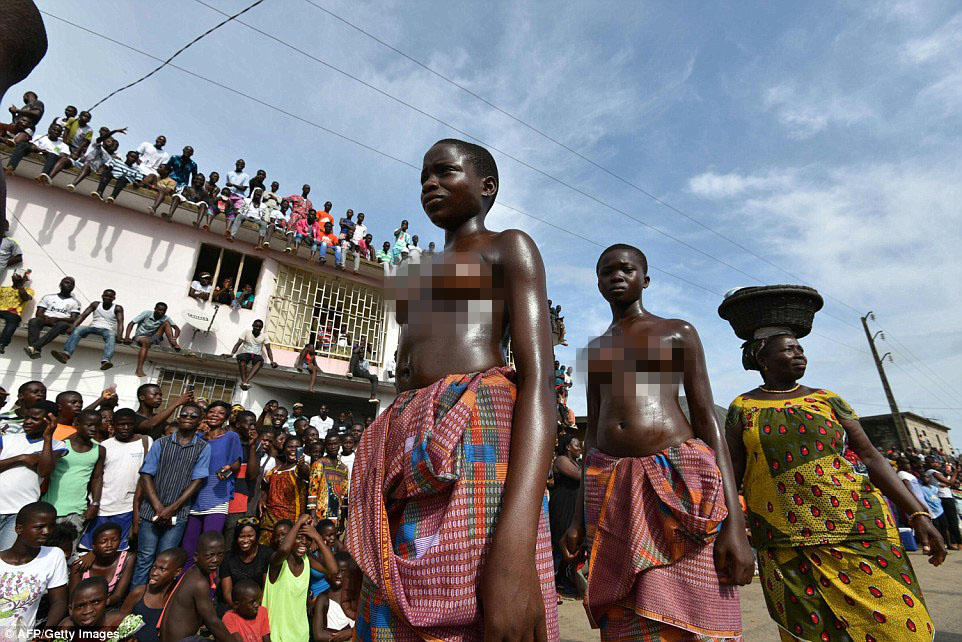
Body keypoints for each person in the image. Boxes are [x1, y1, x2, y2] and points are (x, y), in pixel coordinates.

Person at [347, 139, 559, 640]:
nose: (429, 183)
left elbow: (539, 381)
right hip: (404, 437)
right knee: (389, 609)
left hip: (477, 433)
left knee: (481, 608)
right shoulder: (414, 273)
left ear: (487, 187)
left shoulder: (507, 246)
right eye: (423, 176)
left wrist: (515, 546)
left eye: (445, 172)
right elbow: (405, 374)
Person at [560, 244, 752, 640]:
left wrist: (735, 523)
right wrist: (576, 519)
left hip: (678, 477)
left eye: (626, 270)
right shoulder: (597, 350)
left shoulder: (676, 331)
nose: (616, 277)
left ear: (645, 279)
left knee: (693, 605)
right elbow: (593, 433)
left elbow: (708, 424)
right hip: (612, 485)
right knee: (627, 609)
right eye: (606, 271)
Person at [722, 318, 945, 640]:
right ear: (763, 359)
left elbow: (871, 457)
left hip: (858, 525)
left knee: (895, 621)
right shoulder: (742, 407)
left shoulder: (828, 400)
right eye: (789, 350)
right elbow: (732, 470)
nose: (800, 355)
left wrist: (918, 512)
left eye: (801, 349)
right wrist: (734, 527)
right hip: (783, 537)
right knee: (812, 627)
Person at [131, 402, 210, 586]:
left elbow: (197, 481)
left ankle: (156, 603)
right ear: (178, 417)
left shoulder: (203, 447)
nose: (188, 419)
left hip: (178, 513)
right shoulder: (161, 443)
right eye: (184, 415)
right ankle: (135, 601)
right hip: (151, 510)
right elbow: (146, 474)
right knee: (145, 558)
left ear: (200, 421)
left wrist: (172, 508)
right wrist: (159, 507)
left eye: (193, 416)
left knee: (165, 560)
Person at [181, 401, 241, 564]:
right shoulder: (198, 438)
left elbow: (236, 464)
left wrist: (227, 470)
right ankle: (183, 583)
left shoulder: (231, 437)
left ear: (226, 418)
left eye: (220, 413)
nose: (215, 415)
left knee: (209, 546)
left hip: (218, 495)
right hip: (195, 496)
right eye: (212, 411)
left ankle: (209, 586)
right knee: (188, 546)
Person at [0, 401, 64, 549]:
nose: (28, 421)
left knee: (5, 556)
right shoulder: (7, 439)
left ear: (50, 421)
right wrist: (21, 458)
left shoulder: (57, 445)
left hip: (20, 511)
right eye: (27, 417)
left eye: (34, 418)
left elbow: (44, 470)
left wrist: (48, 437)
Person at [0, 502, 67, 639]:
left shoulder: (54, 556)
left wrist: (46, 632)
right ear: (19, 529)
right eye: (39, 527)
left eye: (51, 526)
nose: (47, 532)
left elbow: (59, 601)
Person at [263, 514, 334, 642]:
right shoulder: (276, 562)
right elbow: (284, 549)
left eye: (307, 539)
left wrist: (317, 537)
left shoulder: (307, 560)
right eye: (298, 538)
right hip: (277, 635)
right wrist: (299, 521)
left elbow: (333, 570)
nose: (303, 542)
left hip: (301, 635)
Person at [158, 531, 234, 642]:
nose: (215, 560)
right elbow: (212, 622)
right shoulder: (199, 583)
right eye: (210, 555)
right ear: (196, 557)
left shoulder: (193, 572)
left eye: (220, 554)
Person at [43, 409, 104, 537]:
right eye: (89, 425)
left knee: (68, 552)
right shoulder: (62, 445)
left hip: (77, 511)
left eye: (97, 425)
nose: (93, 429)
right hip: (50, 508)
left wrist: (95, 504)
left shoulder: (99, 449)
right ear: (77, 424)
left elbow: (97, 478)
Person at [119, 547, 186, 642]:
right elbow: (119, 623)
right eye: (154, 567)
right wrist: (128, 637)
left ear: (177, 572)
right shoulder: (140, 592)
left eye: (162, 569)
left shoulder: (176, 598)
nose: (154, 573)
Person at [52, 288, 124, 370]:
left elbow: (120, 323)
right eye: (106, 296)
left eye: (110, 297)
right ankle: (66, 354)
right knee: (79, 329)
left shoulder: (117, 308)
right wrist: (72, 327)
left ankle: (106, 361)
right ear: (102, 296)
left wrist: (119, 336)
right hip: (93, 327)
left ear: (114, 298)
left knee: (111, 335)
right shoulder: (96, 304)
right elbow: (83, 316)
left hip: (107, 330)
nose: (108, 298)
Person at [69, 521, 134, 607]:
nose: (109, 545)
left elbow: (118, 595)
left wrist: (99, 605)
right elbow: (73, 598)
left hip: (109, 607)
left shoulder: (127, 559)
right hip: (83, 608)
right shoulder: (79, 564)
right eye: (103, 541)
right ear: (94, 545)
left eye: (114, 540)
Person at [259, 436, 309, 545]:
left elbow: (305, 474)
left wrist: (302, 466)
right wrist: (262, 499)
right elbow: (264, 485)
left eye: (297, 447)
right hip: (270, 520)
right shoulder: (275, 469)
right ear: (284, 448)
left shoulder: (299, 468)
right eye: (290, 447)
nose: (293, 449)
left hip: (290, 520)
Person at [548, 434, 580, 596]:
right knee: (560, 543)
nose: (579, 448)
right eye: (576, 445)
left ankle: (565, 581)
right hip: (562, 505)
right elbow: (580, 477)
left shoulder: (575, 462)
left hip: (571, 506)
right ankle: (552, 585)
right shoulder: (561, 460)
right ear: (568, 446)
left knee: (569, 544)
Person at [24, 275, 80, 359]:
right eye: (66, 282)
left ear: (73, 287)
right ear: (60, 284)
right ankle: (35, 350)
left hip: (62, 323)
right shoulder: (48, 297)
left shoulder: (75, 302)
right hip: (46, 319)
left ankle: (34, 347)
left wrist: (57, 319)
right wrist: (47, 319)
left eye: (71, 284)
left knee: (62, 324)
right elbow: (39, 313)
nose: (69, 285)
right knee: (34, 321)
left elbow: (73, 319)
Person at [220, 520, 272, 609]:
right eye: (241, 537)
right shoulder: (229, 558)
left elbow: (266, 588)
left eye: (250, 536)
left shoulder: (266, 554)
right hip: (235, 606)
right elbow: (227, 593)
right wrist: (240, 610)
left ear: (257, 536)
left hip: (259, 606)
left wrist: (255, 609)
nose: (245, 540)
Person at [124, 302, 180, 378]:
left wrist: (174, 338)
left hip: (153, 337)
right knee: (146, 342)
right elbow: (131, 323)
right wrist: (127, 337)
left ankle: (173, 343)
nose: (161, 312)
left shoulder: (165, 317)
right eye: (160, 310)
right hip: (140, 336)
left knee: (166, 323)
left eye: (164, 311)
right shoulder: (146, 313)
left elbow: (177, 329)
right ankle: (139, 369)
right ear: (155, 309)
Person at [311, 551, 356, 642]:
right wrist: (343, 636)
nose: (338, 575)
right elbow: (319, 635)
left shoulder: (355, 596)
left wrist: (351, 632)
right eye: (335, 571)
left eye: (343, 571)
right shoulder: (323, 598)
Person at [228, 320, 278, 391]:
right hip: (245, 353)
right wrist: (231, 354)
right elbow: (238, 344)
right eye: (256, 326)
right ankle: (244, 381)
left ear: (261, 328)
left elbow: (268, 349)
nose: (257, 328)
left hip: (256, 355)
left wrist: (272, 361)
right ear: (253, 325)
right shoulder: (246, 332)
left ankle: (245, 381)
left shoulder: (264, 335)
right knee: (242, 361)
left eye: (260, 327)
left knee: (260, 361)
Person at [4, 121, 68, 175]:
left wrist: (49, 152)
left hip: (50, 157)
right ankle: (11, 167)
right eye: (54, 130)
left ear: (60, 134)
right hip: (36, 151)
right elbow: (31, 144)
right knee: (23, 144)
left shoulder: (63, 145)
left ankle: (44, 176)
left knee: (53, 155)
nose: (56, 132)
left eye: (58, 131)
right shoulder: (39, 137)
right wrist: (36, 148)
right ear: (49, 129)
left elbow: (63, 156)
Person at [924, 456, 961, 549]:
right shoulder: (933, 472)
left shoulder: (934, 473)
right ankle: (958, 542)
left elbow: (945, 484)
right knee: (952, 521)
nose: (937, 464)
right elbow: (949, 482)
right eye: (934, 462)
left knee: (950, 521)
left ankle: (954, 542)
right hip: (944, 498)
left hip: (944, 497)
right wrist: (956, 472)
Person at [223, 577, 271, 642]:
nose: (257, 605)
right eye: (252, 602)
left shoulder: (262, 611)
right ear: (237, 604)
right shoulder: (229, 618)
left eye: (258, 600)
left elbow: (266, 638)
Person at [308, 435, 343, 522]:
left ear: (340, 444)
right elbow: (312, 490)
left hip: (336, 514)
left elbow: (343, 492)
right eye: (329, 444)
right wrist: (313, 516)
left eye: (335, 444)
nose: (333, 447)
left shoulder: (343, 467)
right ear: (325, 446)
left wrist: (342, 519)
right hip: (320, 514)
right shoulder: (319, 464)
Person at [0, 268, 33, 354]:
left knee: (13, 321)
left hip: (13, 313)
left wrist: (19, 284)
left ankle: (2, 344)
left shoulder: (29, 291)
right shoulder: (3, 288)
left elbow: (25, 298)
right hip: (0, 310)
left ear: (25, 280)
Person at [346, 334, 379, 403]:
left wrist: (368, 346)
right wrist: (360, 346)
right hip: (355, 371)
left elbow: (373, 353)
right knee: (354, 355)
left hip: (361, 373)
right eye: (361, 340)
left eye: (363, 352)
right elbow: (355, 352)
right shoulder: (356, 353)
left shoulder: (365, 361)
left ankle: (372, 397)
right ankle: (350, 373)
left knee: (375, 377)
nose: (362, 353)